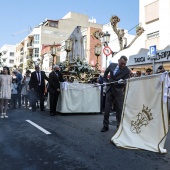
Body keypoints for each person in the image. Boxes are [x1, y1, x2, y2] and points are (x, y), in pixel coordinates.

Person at [101, 56, 130, 132]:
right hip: (110, 89)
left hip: (118, 91)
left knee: (119, 109)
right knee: (107, 108)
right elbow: (106, 72)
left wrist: (123, 82)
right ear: (118, 61)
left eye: (124, 64)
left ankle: (119, 126)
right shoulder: (112, 65)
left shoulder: (127, 70)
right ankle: (105, 125)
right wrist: (105, 81)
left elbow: (127, 80)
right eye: (122, 63)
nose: (123, 65)